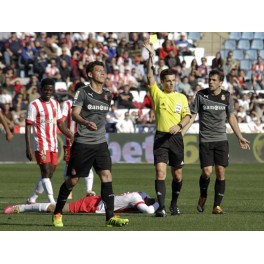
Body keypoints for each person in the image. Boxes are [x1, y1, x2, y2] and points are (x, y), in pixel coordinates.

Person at [52, 61, 129, 228]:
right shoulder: (83, 92)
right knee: (72, 181)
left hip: (100, 143)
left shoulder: (108, 95)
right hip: (83, 143)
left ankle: (110, 217)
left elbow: (101, 118)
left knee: (107, 177)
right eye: (98, 71)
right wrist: (86, 123)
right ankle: (57, 212)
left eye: (104, 70)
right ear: (89, 74)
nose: (103, 73)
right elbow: (75, 114)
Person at [182, 69, 250, 214]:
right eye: (209, 79)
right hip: (205, 140)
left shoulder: (226, 96)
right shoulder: (201, 95)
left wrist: (240, 137)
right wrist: (182, 132)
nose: (211, 82)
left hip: (221, 140)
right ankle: (203, 195)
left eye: (214, 80)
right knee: (207, 173)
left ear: (220, 82)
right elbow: (193, 115)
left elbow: (231, 117)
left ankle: (216, 206)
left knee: (220, 172)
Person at [143, 38, 192, 217]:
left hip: (176, 139)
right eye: (167, 81)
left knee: (177, 175)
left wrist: (179, 125)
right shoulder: (157, 94)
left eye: (173, 80)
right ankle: (161, 207)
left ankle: (173, 204)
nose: (171, 83)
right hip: (161, 138)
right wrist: (150, 55)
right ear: (162, 82)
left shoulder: (182, 97)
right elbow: (149, 76)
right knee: (160, 171)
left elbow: (187, 116)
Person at [25, 78, 74, 205]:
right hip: (40, 143)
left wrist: (72, 135)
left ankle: (33, 198)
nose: (48, 92)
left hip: (53, 144)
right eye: (45, 89)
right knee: (45, 172)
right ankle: (52, 201)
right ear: (41, 89)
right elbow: (28, 126)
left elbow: (60, 124)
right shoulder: (34, 105)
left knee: (49, 174)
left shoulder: (55, 104)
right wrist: (28, 146)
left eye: (50, 90)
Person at [61, 81, 96, 199]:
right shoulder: (67, 104)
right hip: (71, 140)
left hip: (86, 139)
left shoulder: (89, 104)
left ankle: (89, 190)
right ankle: (68, 190)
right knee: (69, 165)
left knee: (88, 164)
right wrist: (69, 134)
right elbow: (60, 121)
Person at [4, 191, 159, 215]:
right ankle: (21, 208)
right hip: (92, 204)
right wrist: (160, 206)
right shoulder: (136, 198)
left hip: (97, 202)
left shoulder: (138, 196)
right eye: (150, 201)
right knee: (57, 209)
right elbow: (149, 211)